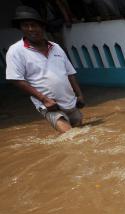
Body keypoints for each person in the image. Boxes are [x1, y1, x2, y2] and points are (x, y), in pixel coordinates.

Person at [6, 6, 85, 134]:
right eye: (26, 25)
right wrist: (44, 99)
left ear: (42, 27)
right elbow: (16, 79)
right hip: (49, 106)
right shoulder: (16, 51)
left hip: (70, 101)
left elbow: (70, 73)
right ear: (21, 28)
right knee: (71, 136)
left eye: (34, 25)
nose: (31, 29)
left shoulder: (56, 47)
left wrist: (79, 95)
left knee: (81, 133)